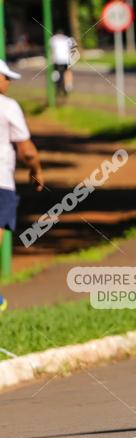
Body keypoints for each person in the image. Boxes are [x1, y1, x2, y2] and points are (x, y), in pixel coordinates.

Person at [0, 60, 45, 310]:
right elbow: (27, 149)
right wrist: (37, 170)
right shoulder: (7, 107)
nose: (9, 82)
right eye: (6, 77)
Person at [49, 29, 75, 95]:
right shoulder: (67, 39)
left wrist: (52, 59)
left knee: (55, 70)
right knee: (68, 71)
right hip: (66, 59)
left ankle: (56, 79)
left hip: (57, 60)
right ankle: (68, 86)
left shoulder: (53, 39)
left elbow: (52, 51)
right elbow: (71, 50)